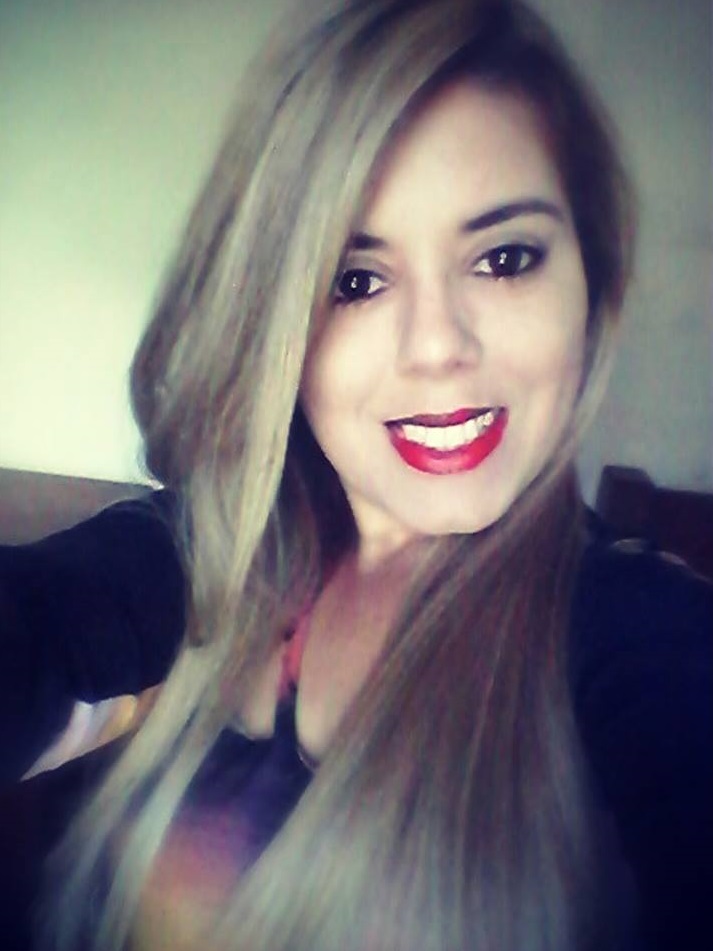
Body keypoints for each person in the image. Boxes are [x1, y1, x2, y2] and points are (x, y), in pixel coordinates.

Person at [0, 0, 711, 948]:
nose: (436, 347)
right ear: (276, 318)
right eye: (355, 280)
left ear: (592, 281)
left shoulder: (636, 635)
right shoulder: (214, 547)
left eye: (503, 258)